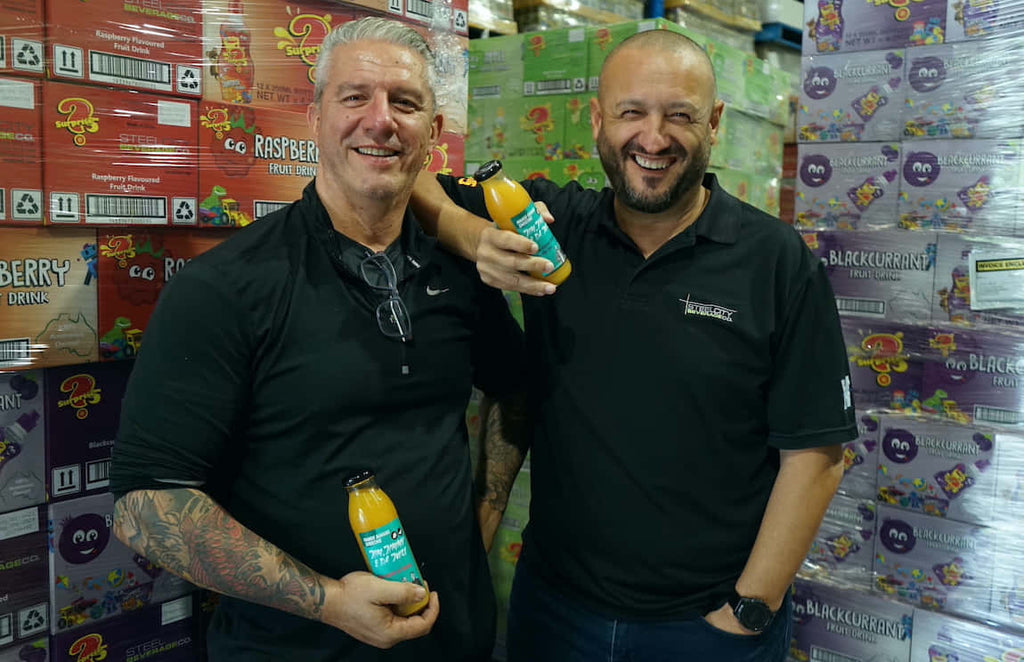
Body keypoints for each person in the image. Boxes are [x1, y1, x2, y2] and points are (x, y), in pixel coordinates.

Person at [412, 29, 857, 662]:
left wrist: (749, 608)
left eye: (680, 115)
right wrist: (474, 237)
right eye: (631, 113)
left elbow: (817, 456)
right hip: (556, 612)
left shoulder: (777, 264)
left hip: (703, 629)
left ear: (716, 124)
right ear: (597, 120)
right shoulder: (547, 226)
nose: (654, 138)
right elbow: (420, 185)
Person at [109, 17, 528, 662]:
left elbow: (513, 387)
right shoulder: (227, 286)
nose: (380, 120)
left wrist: (484, 513)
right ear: (314, 118)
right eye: (354, 97)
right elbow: (145, 504)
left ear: (434, 134)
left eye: (405, 102)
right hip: (294, 647)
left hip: (454, 636)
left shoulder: (459, 273)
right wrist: (328, 600)